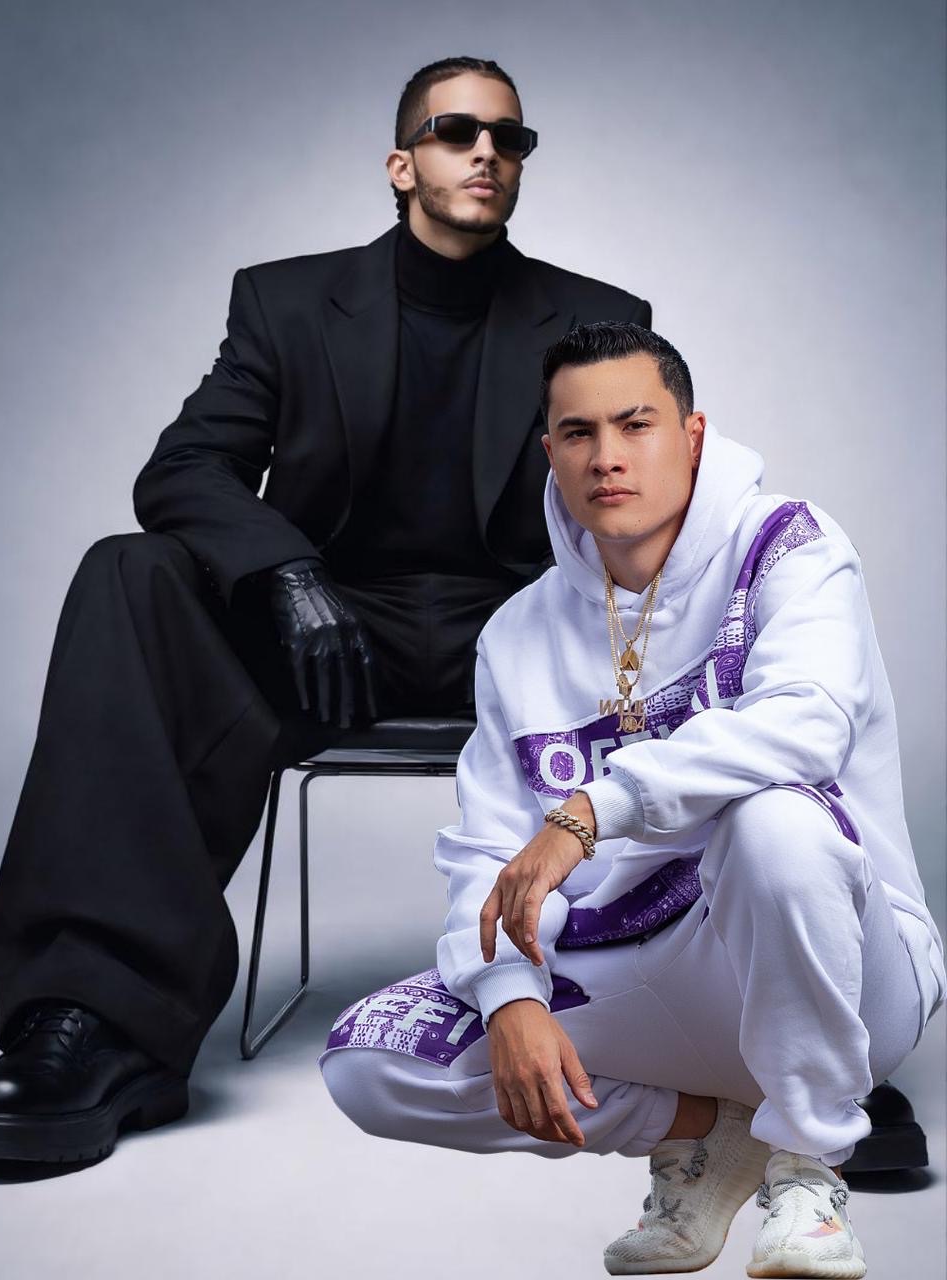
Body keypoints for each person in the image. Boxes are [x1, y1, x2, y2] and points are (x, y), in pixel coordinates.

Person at [0, 57, 653, 1166]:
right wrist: (286, 573)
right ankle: (97, 1021)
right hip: (328, 641)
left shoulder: (598, 319)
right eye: (456, 131)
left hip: (527, 641)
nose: (486, 153)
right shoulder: (286, 302)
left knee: (733, 595)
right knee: (130, 573)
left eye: (509, 139)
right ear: (400, 163)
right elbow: (186, 468)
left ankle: (795, 1029)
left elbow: (653, 494)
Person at [319, 322, 946, 1277]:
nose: (606, 456)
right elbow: (487, 848)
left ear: (692, 435)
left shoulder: (787, 546)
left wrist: (591, 811)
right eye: (578, 433)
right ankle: (707, 1132)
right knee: (371, 1061)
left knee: (774, 821)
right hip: (635, 966)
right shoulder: (517, 633)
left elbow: (808, 725)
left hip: (842, 969)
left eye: (635, 424)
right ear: (551, 452)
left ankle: (808, 1164)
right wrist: (508, 993)